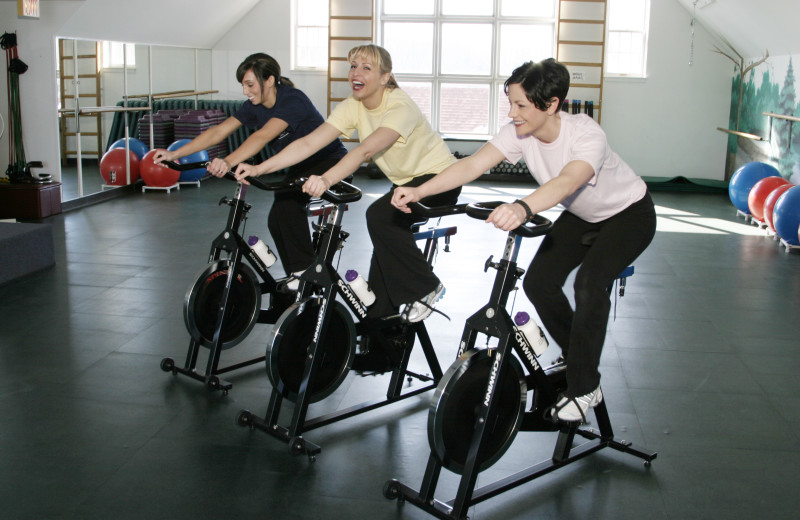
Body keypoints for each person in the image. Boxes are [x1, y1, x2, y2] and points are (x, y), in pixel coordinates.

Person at [391, 58, 656, 422]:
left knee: (591, 283)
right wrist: (419, 190)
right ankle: (581, 360)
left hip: (629, 214)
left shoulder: (586, 134)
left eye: (521, 105)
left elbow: (567, 182)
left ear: (551, 105)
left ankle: (583, 387)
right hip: (582, 215)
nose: (512, 113)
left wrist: (522, 207)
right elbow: (471, 165)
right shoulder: (518, 133)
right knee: (539, 284)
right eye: (510, 103)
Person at [233, 44, 460, 329]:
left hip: (440, 180)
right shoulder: (353, 106)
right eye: (353, 66)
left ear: (385, 77)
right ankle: (380, 330)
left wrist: (327, 178)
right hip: (406, 185)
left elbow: (364, 151)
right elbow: (308, 143)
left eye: (366, 68)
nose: (356, 72)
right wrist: (258, 167)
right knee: (385, 241)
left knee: (379, 216)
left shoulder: (399, 105)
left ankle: (426, 287)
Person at [154, 53, 347, 282]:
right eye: (243, 86)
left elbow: (263, 136)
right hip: (296, 164)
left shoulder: (293, 99)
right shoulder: (253, 107)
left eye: (250, 84)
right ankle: (296, 275)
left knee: (286, 207)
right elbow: (218, 131)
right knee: (276, 219)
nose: (246, 91)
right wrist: (175, 153)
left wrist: (227, 161)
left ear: (269, 80)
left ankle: (306, 274)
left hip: (329, 160)